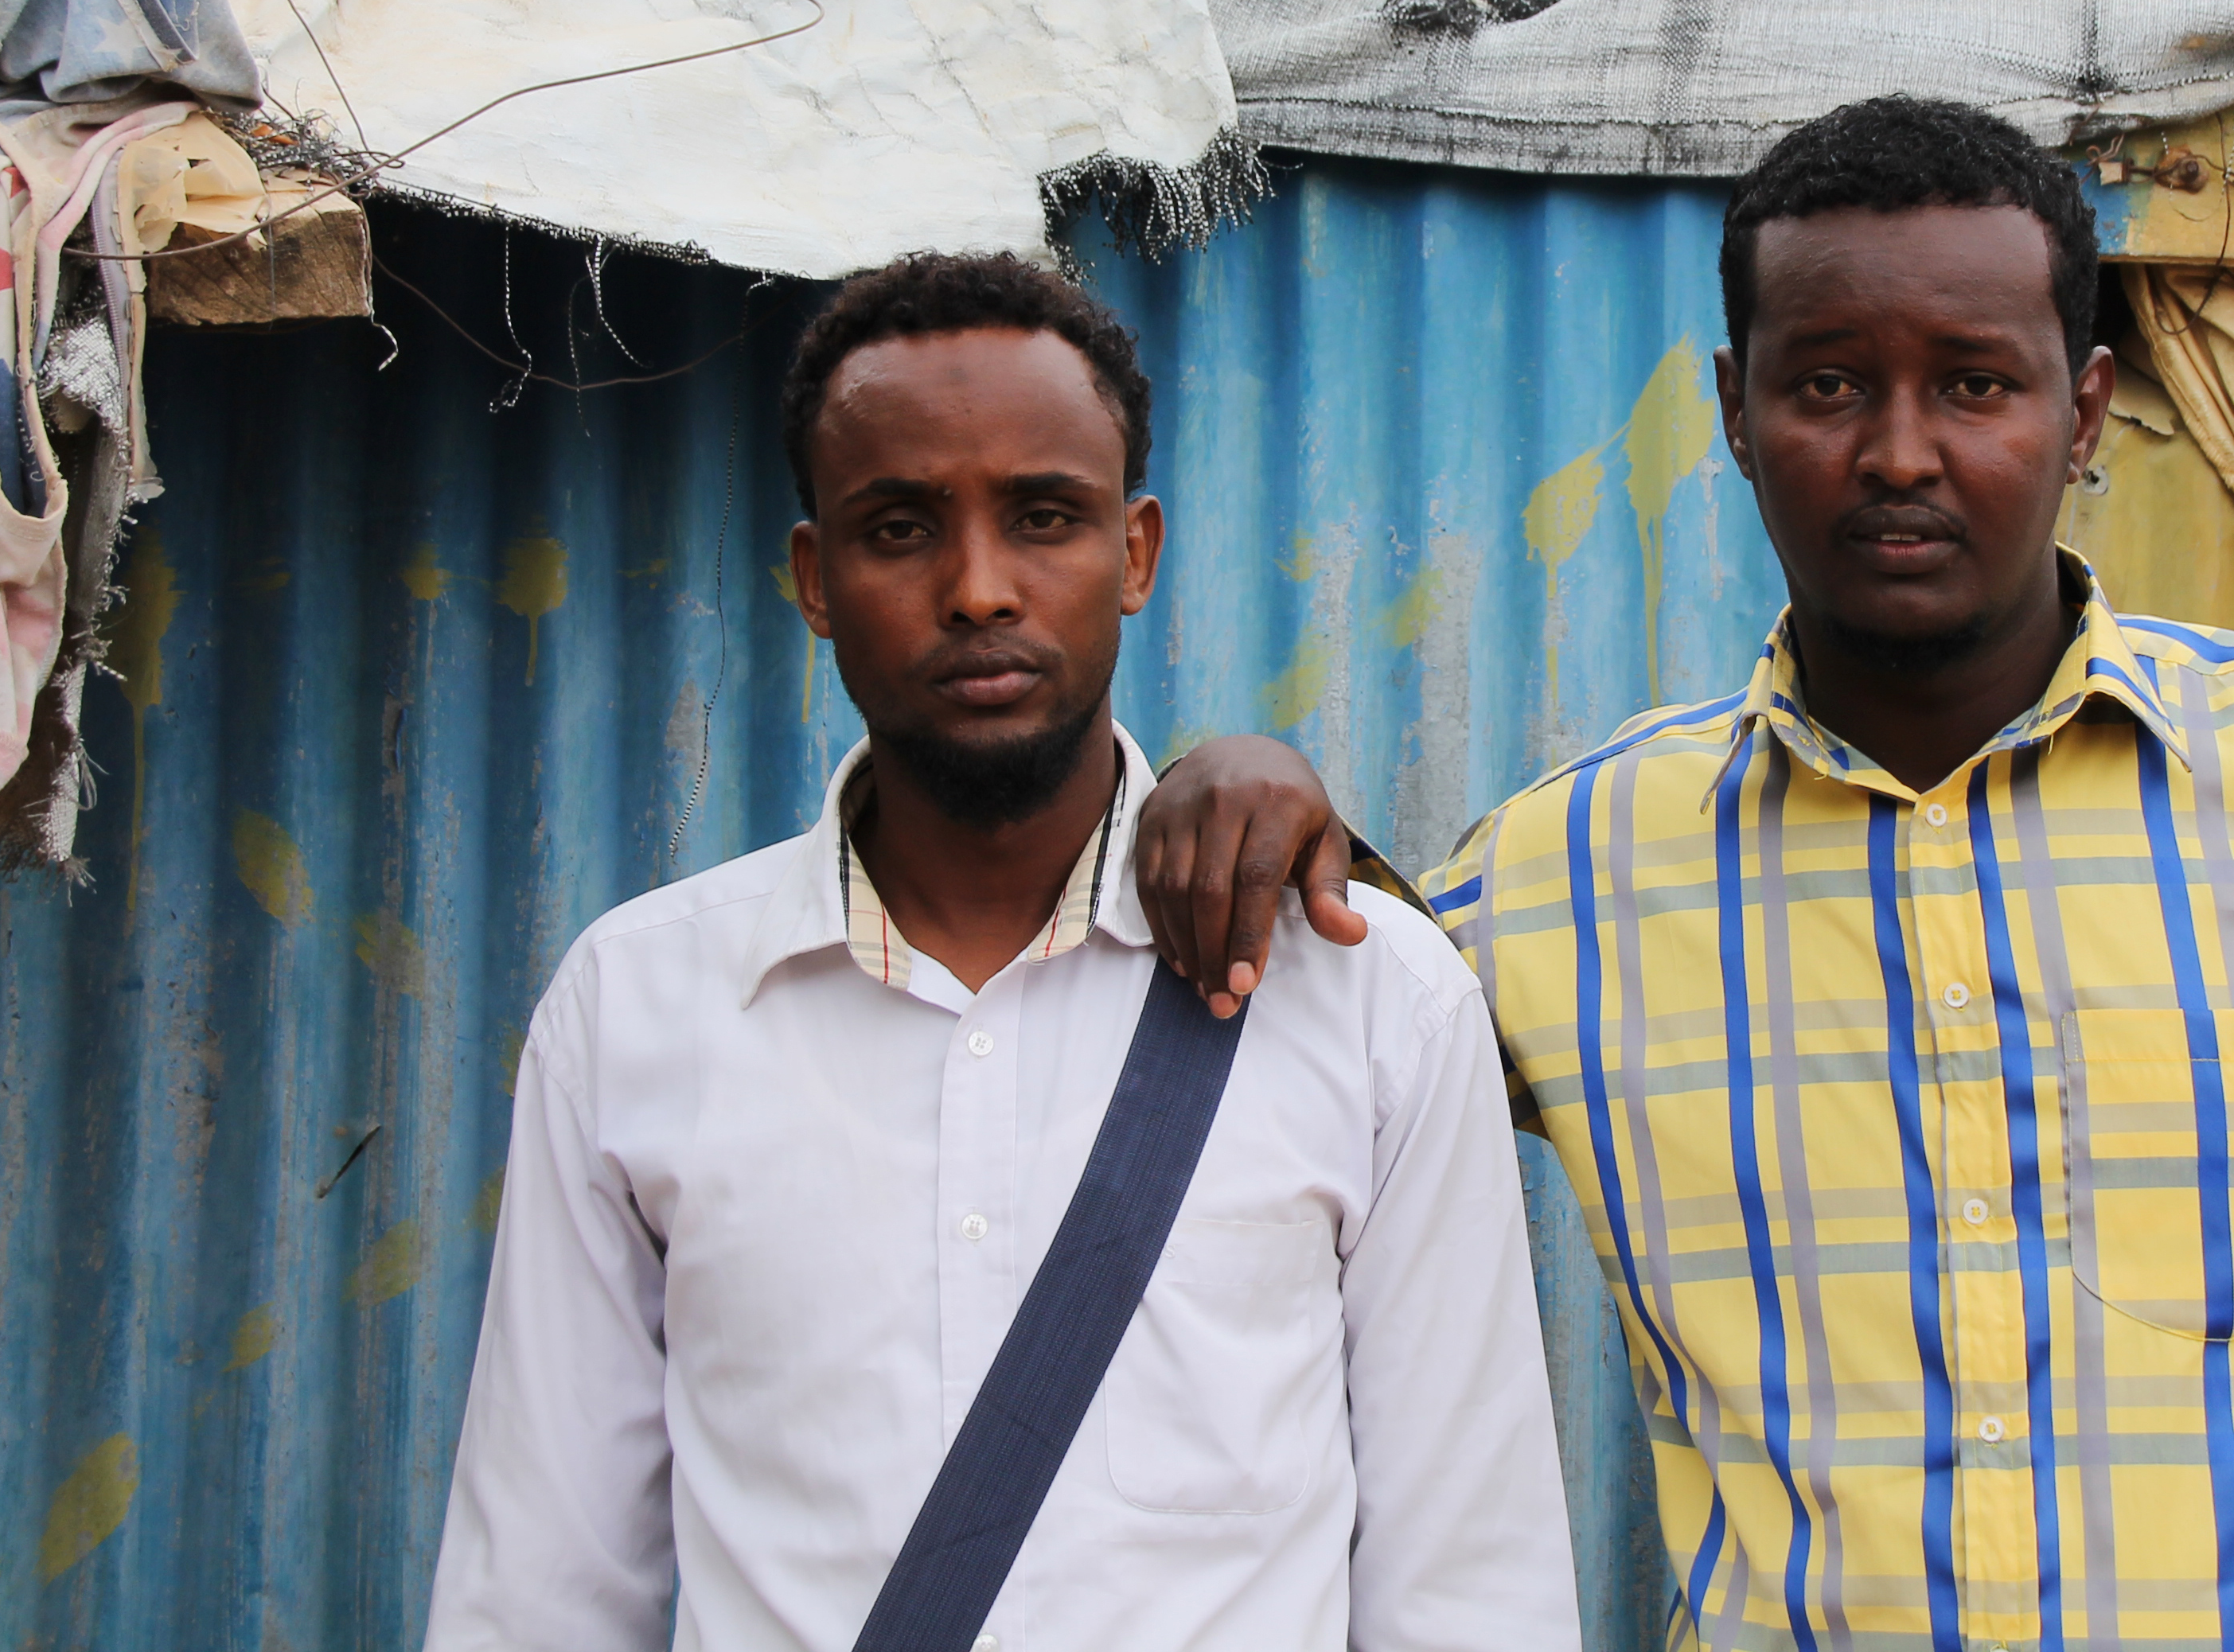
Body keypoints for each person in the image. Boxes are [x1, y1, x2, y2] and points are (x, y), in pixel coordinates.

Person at [1136, 98, 2234, 1652]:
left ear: (2084, 414)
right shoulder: (1568, 880)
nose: (1903, 449)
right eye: (1830, 382)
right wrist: (1261, 787)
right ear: (1734, 411)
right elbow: (1312, 1096)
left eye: (1977, 384)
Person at [424, 252, 1577, 1652]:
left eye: (1043, 517)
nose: (979, 590)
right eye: (901, 529)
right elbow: (542, 1586)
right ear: (814, 578)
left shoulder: (1366, 996)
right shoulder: (640, 1010)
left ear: (1136, 553)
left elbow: (1471, 1580)